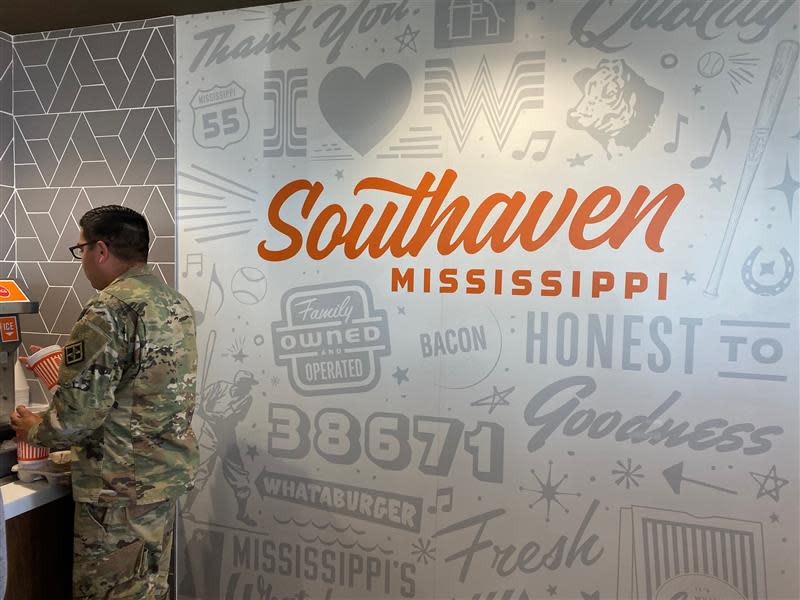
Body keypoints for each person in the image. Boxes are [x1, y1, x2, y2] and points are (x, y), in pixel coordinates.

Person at [9, 205, 199, 600]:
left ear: (100, 249)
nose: (82, 264)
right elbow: (143, 384)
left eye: (79, 251)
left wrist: (34, 430)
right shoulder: (174, 303)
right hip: (161, 479)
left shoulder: (106, 310)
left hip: (117, 490)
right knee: (148, 589)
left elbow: (78, 417)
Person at [182, 369, 257, 526]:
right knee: (200, 472)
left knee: (240, 477)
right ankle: (186, 510)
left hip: (227, 438)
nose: (249, 388)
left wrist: (205, 412)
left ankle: (242, 514)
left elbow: (223, 417)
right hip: (209, 435)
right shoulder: (220, 386)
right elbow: (199, 402)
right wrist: (202, 409)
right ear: (239, 383)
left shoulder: (246, 398)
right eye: (248, 384)